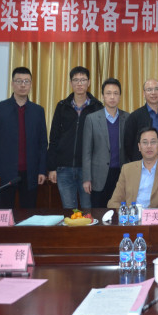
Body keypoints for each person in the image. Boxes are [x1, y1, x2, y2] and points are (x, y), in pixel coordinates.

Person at [0, 66, 47, 208]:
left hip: (30, 173)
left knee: (29, 214)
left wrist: (42, 170)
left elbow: (43, 144)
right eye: (19, 81)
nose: (22, 85)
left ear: (31, 84)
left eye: (26, 81)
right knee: (5, 213)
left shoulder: (38, 111)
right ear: (12, 83)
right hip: (5, 173)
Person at [47, 66, 103, 209]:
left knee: (87, 209)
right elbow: (54, 138)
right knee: (69, 210)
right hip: (64, 168)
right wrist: (52, 167)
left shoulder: (97, 107)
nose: (79, 83)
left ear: (89, 82)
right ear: (70, 83)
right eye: (76, 80)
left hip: (87, 170)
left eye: (83, 80)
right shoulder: (62, 106)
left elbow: (100, 141)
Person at [82, 78, 129, 208]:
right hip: (99, 176)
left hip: (121, 174)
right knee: (98, 212)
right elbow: (86, 151)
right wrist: (86, 178)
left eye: (115, 93)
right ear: (103, 96)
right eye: (108, 93)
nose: (112, 97)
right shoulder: (91, 119)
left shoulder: (127, 118)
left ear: (120, 96)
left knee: (119, 212)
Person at [107, 127, 158, 209]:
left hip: (156, 216)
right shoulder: (127, 169)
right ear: (139, 146)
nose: (149, 146)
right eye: (145, 142)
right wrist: (128, 213)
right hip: (131, 215)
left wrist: (150, 214)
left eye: (153, 142)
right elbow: (113, 202)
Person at [124, 78, 158, 163]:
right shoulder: (135, 116)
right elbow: (128, 145)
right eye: (149, 90)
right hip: (143, 166)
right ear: (144, 94)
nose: (153, 92)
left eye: (157, 89)